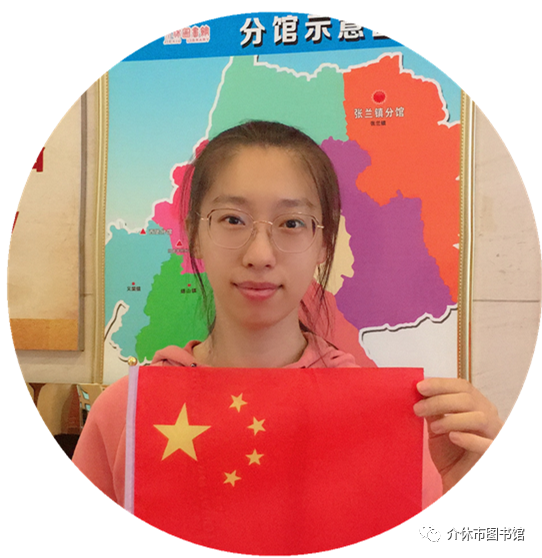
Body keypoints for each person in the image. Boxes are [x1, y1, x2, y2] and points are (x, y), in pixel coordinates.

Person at [73, 120, 503, 508]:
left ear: (324, 244)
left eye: (292, 223)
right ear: (194, 235)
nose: (260, 254)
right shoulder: (125, 413)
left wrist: (461, 492)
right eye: (232, 219)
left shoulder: (387, 425)